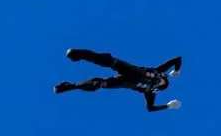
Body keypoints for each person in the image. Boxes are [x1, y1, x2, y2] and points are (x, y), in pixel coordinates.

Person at [54, 47, 182, 111]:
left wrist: (168, 106)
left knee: (100, 84)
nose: (159, 81)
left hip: (125, 81)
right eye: (161, 80)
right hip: (131, 70)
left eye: (160, 84)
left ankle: (72, 86)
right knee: (109, 61)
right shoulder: (158, 71)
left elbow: (150, 108)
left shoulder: (150, 92)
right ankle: (80, 54)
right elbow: (177, 59)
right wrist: (176, 70)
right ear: (163, 76)